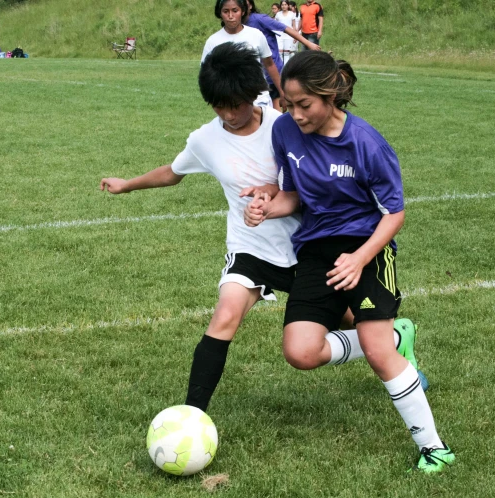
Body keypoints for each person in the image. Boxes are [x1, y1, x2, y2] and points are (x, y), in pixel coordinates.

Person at [243, 51, 454, 474]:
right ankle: (398, 338)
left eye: (304, 104)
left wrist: (359, 259)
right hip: (317, 250)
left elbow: (394, 213)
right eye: (287, 102)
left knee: (376, 353)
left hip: (368, 247)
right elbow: (294, 193)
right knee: (300, 351)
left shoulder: (366, 143)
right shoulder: (284, 131)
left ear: (331, 96)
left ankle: (434, 447)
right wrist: (268, 207)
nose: (294, 114)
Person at [100, 42, 301, 414]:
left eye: (235, 104)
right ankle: (192, 415)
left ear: (251, 94)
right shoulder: (205, 140)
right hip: (250, 246)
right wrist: (127, 184)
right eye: (218, 106)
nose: (228, 114)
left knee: (352, 318)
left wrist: (273, 196)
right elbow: (172, 173)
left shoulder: (285, 126)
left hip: (303, 244)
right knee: (225, 315)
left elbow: (311, 183)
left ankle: (394, 345)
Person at [202, 0, 281, 109]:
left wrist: (282, 91)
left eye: (235, 11)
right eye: (226, 11)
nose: (230, 16)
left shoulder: (256, 35)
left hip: (260, 101)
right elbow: (206, 74)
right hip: (231, 105)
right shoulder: (213, 42)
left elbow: (269, 65)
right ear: (220, 13)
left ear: (243, 11)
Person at [244, 0, 320, 111]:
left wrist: (308, 43)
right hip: (252, 75)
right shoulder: (236, 25)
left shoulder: (259, 19)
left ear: (250, 5)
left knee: (275, 113)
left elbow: (285, 28)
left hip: (271, 72)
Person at [275, 1, 298, 65]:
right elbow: (275, 25)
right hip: (280, 35)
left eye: (285, 5)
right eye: (282, 5)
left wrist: (295, 36)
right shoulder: (278, 14)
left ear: (288, 5)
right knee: (280, 52)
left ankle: (285, 69)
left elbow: (294, 26)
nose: (284, 6)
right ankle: (280, 68)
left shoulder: (291, 14)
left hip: (289, 35)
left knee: (287, 53)